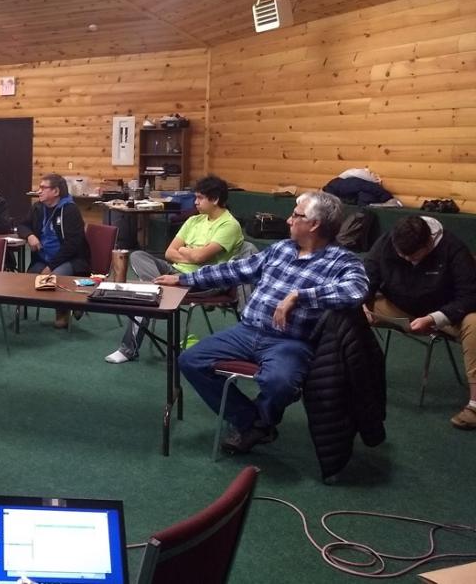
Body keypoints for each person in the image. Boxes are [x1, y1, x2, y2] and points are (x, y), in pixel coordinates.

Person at [161, 191, 368, 454]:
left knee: (280, 383)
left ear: (314, 224)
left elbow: (356, 291)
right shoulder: (281, 249)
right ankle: (254, 423)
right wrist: (183, 280)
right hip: (247, 331)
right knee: (190, 360)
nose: (289, 221)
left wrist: (300, 296)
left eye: (296, 215)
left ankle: (258, 421)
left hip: (290, 341)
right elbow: (234, 270)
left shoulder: (342, 261)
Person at [105, 175, 244, 363]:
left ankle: (129, 346)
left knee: (147, 294)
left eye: (200, 198)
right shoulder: (194, 221)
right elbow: (170, 252)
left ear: (215, 199)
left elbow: (200, 258)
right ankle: (158, 291)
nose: (195, 202)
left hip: (203, 280)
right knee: (138, 255)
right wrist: (191, 253)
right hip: (174, 270)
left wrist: (188, 251)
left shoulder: (229, 225)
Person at [363, 215, 476, 430]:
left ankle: (475, 405)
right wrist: (361, 303)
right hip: (397, 306)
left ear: (429, 243)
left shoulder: (453, 248)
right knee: (348, 309)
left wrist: (435, 318)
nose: (407, 260)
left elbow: (470, 295)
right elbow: (366, 276)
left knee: (475, 322)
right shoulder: (388, 241)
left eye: (413, 256)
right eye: (402, 255)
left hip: (445, 314)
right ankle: (350, 376)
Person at [16, 173, 90, 329]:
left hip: (70, 259)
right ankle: (72, 301)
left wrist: (50, 267)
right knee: (27, 280)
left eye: (43, 188)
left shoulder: (70, 210)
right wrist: (30, 236)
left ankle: (63, 310)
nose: (39, 191)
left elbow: (72, 245)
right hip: (43, 258)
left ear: (56, 192)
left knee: (53, 278)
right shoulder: (38, 207)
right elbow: (22, 225)